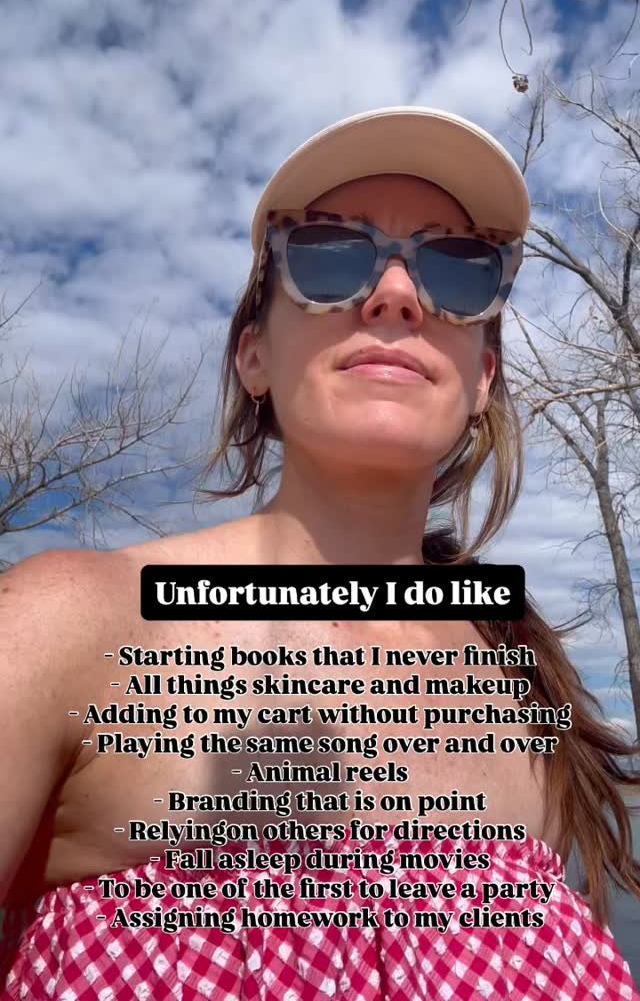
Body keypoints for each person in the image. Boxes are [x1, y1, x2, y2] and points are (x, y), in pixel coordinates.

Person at [1, 106, 639, 1000]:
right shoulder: (64, 628)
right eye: (332, 253)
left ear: (482, 377)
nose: (398, 295)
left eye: (458, 268)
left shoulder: (527, 691)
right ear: (253, 356)